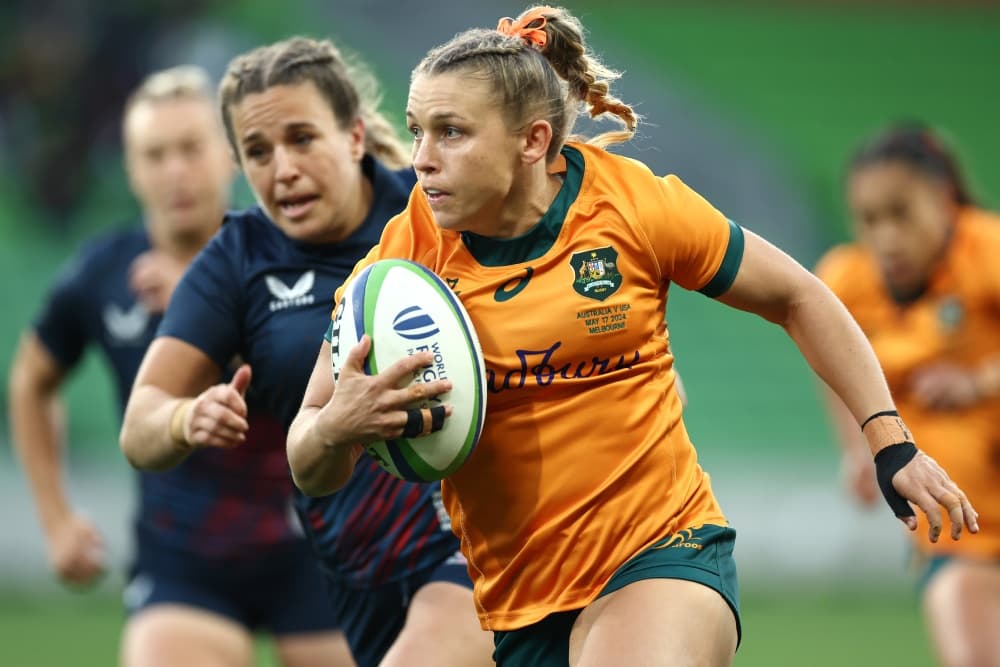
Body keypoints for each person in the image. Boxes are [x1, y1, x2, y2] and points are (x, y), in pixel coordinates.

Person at [285, 8, 980, 667]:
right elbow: (307, 451)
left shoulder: (631, 205)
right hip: (518, 600)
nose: (423, 158)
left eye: (452, 132)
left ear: (532, 140)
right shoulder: (403, 264)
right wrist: (337, 429)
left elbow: (800, 296)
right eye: (416, 131)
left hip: (664, 548)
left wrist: (889, 441)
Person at [118, 38, 493, 667]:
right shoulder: (237, 261)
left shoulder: (432, 211)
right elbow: (140, 424)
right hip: (356, 564)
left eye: (301, 139)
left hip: (476, 537)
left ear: (352, 137)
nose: (282, 168)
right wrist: (188, 418)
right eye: (258, 152)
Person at [8, 65, 354, 667]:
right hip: (185, 559)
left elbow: (336, 379)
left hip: (313, 541)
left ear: (228, 157)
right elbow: (32, 379)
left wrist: (207, 311)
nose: (175, 171)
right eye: (154, 154)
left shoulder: (294, 251)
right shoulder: (103, 271)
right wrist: (56, 518)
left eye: (191, 149)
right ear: (132, 171)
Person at [816, 124, 1000, 667]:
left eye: (901, 214)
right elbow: (833, 369)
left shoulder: (984, 249)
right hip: (967, 533)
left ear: (943, 202)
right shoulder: (847, 283)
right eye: (870, 220)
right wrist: (857, 448)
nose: (887, 237)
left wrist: (980, 382)